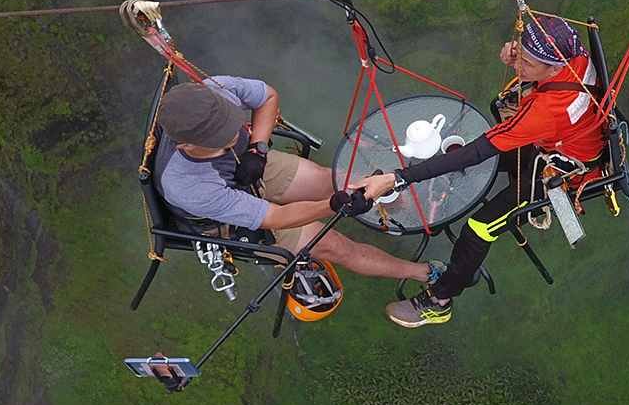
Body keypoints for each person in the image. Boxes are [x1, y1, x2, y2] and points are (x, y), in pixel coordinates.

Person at [350, 13, 604, 328]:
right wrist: (518, 50)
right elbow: (540, 51)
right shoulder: (573, 53)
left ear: (553, 68)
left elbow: (477, 152)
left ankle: (440, 300)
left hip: (557, 175)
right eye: (519, 56)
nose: (518, 65)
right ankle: (437, 189)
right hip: (559, 143)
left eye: (527, 62)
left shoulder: (545, 112)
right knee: (469, 157)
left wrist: (398, 178)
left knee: (479, 227)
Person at [155, 75, 437, 286]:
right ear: (183, 145)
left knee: (338, 180)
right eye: (219, 138)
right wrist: (333, 205)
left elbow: (266, 97)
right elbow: (276, 217)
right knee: (337, 246)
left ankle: (405, 207)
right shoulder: (187, 186)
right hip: (228, 218)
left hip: (250, 164)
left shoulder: (214, 90)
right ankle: (422, 273)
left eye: (231, 124)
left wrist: (258, 148)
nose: (231, 135)